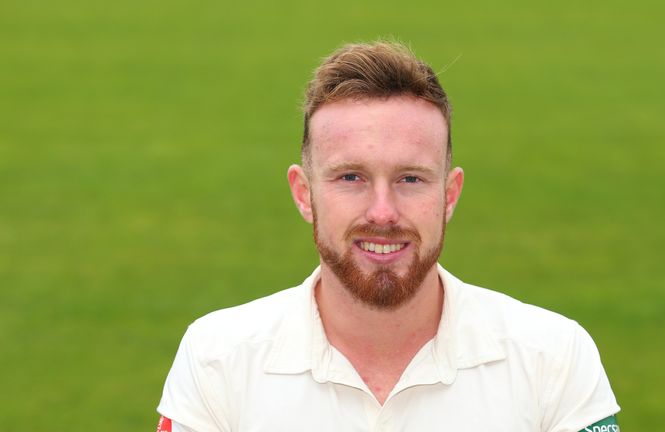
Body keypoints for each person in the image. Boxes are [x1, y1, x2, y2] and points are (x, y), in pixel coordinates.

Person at [156, 41, 621, 432]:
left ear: (449, 194)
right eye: (351, 177)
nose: (383, 213)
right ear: (304, 193)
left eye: (411, 179)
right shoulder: (217, 358)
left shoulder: (553, 356)